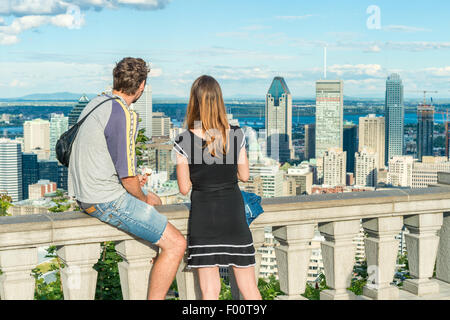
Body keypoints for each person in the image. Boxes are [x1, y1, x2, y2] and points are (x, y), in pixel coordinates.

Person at [68, 57, 186, 300]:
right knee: (176, 243)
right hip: (105, 199)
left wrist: (132, 187)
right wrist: (142, 195)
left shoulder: (96, 103)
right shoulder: (122, 113)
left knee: (156, 206)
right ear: (141, 86)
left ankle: (156, 262)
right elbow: (128, 175)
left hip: (84, 193)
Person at [173, 75, 262, 300]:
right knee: (250, 290)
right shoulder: (236, 134)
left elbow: (184, 188)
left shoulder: (183, 140)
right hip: (233, 214)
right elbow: (244, 175)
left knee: (210, 292)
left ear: (194, 102)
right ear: (219, 101)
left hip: (204, 217)